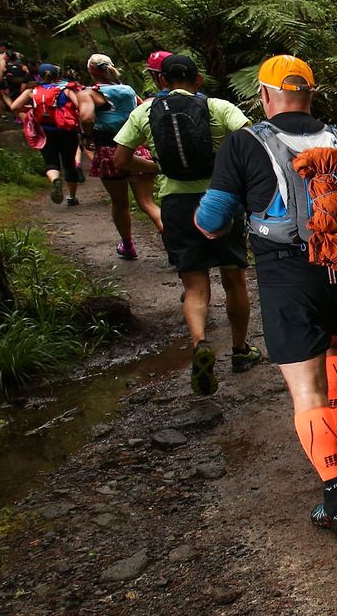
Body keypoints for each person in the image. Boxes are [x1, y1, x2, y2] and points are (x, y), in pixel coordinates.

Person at [195, 55, 337, 532]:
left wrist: (211, 222)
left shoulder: (243, 143)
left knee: (306, 389)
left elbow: (211, 221)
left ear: (264, 95)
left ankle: (336, 500)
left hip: (287, 274)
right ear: (311, 94)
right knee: (331, 345)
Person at [111, 53, 262, 394]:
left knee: (194, 285)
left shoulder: (145, 111)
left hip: (177, 205)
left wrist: (159, 167)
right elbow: (251, 142)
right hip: (221, 200)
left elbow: (120, 159)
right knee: (234, 278)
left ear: (162, 81)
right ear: (198, 81)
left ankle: (200, 344)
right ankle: (240, 351)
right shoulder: (218, 108)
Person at [83, 54, 160, 259]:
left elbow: (86, 116)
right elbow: (143, 108)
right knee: (147, 202)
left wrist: (87, 135)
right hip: (136, 148)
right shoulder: (128, 91)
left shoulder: (90, 93)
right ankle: (173, 246)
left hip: (108, 150)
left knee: (120, 203)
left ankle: (128, 245)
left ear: (91, 72)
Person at [6, 63, 88, 205]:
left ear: (39, 75)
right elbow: (79, 106)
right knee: (69, 163)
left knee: (51, 162)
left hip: (44, 131)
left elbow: (14, 107)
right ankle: (72, 197)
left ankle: (55, 180)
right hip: (67, 131)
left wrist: (32, 108)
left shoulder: (32, 90)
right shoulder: (66, 90)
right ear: (57, 75)